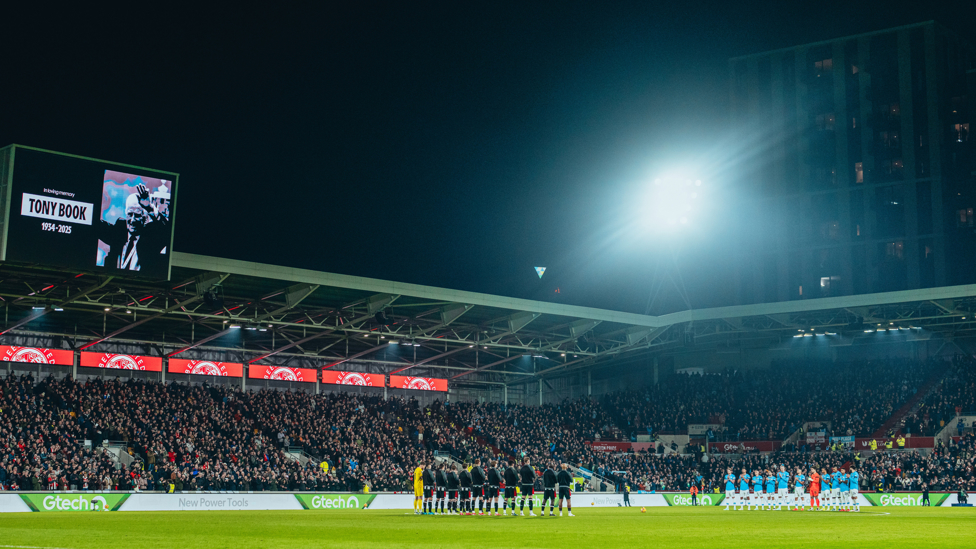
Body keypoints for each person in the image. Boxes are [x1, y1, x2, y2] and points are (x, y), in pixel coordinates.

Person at [97, 183, 170, 272]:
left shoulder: (151, 237)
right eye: (130, 214)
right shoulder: (119, 229)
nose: (132, 220)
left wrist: (149, 208)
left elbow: (169, 232)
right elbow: (97, 225)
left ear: (146, 217)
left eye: (137, 215)